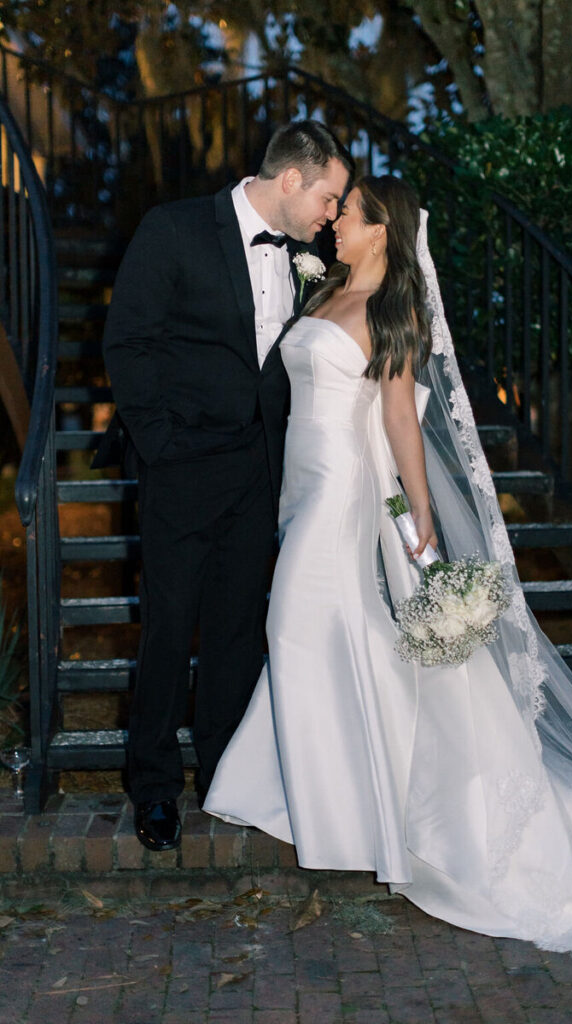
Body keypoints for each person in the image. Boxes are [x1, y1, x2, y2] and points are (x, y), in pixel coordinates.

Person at [204, 175, 572, 960]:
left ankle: (350, 806)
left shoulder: (390, 310)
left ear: (380, 231)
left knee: (295, 623)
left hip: (342, 491)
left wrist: (418, 511)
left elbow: (398, 414)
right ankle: (345, 789)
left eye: (347, 214)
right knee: (322, 631)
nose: (333, 222)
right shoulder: (322, 290)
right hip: (300, 485)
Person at [101, 121, 353, 852]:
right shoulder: (174, 229)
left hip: (261, 469)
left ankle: (224, 775)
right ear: (290, 180)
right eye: (328, 198)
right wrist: (162, 446)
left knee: (237, 631)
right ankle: (154, 784)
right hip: (182, 466)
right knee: (168, 627)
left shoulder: (309, 257)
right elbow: (128, 342)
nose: (331, 215)